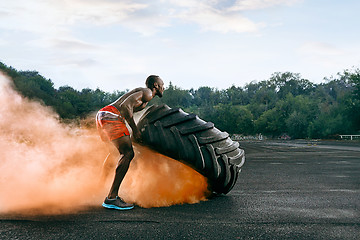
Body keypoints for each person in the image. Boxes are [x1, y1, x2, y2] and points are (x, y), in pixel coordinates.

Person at [96, 75, 164, 210]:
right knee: (127, 154)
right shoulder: (148, 93)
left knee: (114, 153)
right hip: (112, 116)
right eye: (162, 84)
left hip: (103, 114)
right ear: (155, 85)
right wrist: (135, 129)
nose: (164, 87)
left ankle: (98, 188)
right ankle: (112, 198)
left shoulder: (143, 93)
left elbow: (127, 106)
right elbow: (125, 106)